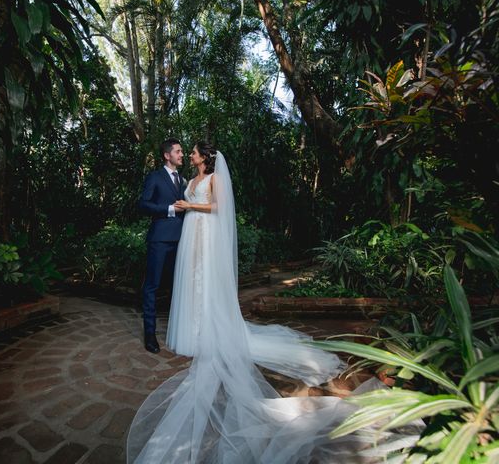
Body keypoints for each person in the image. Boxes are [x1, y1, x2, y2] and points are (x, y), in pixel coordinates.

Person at [127, 145, 418, 463]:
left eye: (191, 151)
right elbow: (152, 203)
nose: (187, 154)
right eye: (183, 151)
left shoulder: (211, 179)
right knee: (183, 284)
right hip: (185, 236)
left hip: (203, 232)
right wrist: (179, 208)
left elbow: (218, 208)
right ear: (169, 156)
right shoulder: (177, 177)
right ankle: (175, 331)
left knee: (203, 282)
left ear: (205, 158)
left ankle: (206, 328)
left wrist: (189, 207)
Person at [138, 137, 186, 353]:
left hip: (182, 240)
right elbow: (143, 205)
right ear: (167, 155)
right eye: (178, 151)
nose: (181, 154)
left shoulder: (184, 180)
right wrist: (169, 209)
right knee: (152, 286)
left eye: (182, 151)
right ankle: (150, 335)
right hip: (159, 239)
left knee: (180, 286)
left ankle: (180, 332)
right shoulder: (155, 177)